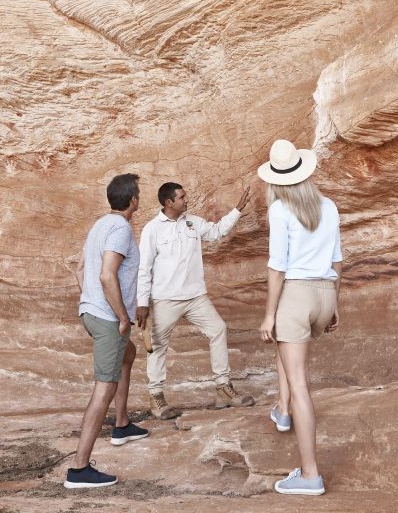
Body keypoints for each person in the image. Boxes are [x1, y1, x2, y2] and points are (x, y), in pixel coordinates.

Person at [258, 139, 342, 497]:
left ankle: (310, 475)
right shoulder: (328, 206)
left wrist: (269, 314)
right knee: (285, 346)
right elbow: (337, 261)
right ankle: (282, 410)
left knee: (300, 384)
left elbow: (278, 268)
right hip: (324, 293)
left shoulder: (280, 210)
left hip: (296, 293)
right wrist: (334, 304)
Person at [136, 181, 256, 419]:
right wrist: (142, 303)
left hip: (195, 297)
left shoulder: (193, 221)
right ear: (169, 202)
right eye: (182, 197)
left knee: (218, 329)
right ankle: (157, 398)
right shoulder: (153, 229)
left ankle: (223, 388)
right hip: (165, 299)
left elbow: (216, 231)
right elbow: (144, 267)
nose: (186, 200)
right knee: (158, 346)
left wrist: (237, 210)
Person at [64, 173, 150, 489]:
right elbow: (106, 275)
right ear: (134, 201)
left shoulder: (100, 225)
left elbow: (80, 270)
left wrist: (90, 304)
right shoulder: (121, 229)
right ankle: (79, 469)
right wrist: (121, 317)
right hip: (108, 318)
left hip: (92, 313)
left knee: (128, 353)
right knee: (104, 388)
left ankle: (122, 424)